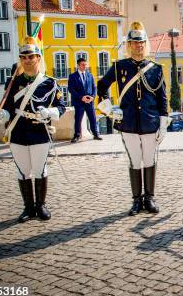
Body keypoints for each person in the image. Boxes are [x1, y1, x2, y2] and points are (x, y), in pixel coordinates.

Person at [97, 21, 168, 216]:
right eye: (135, 43)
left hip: (150, 121)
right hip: (128, 122)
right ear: (129, 45)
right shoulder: (120, 67)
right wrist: (109, 107)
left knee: (149, 160)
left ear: (146, 44)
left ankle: (150, 198)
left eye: (141, 42)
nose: (139, 46)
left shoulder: (155, 68)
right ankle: (137, 201)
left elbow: (162, 98)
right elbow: (102, 85)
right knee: (135, 161)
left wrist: (163, 123)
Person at [0, 37, 66, 222]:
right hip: (18, 132)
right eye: (24, 57)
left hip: (39, 133)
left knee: (39, 169)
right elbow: (9, 107)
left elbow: (61, 106)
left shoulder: (50, 83)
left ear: (38, 58)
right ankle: (28, 207)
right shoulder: (13, 82)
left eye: (31, 56)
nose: (27, 60)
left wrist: (50, 112)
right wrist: (4, 115)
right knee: (23, 170)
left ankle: (41, 206)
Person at [68, 57, 102, 142]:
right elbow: (71, 89)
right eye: (83, 65)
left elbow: (94, 88)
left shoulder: (90, 75)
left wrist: (92, 97)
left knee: (92, 118)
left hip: (89, 101)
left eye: (86, 65)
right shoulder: (72, 76)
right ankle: (76, 136)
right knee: (78, 119)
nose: (85, 66)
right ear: (78, 66)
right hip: (79, 102)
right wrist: (81, 97)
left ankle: (96, 134)